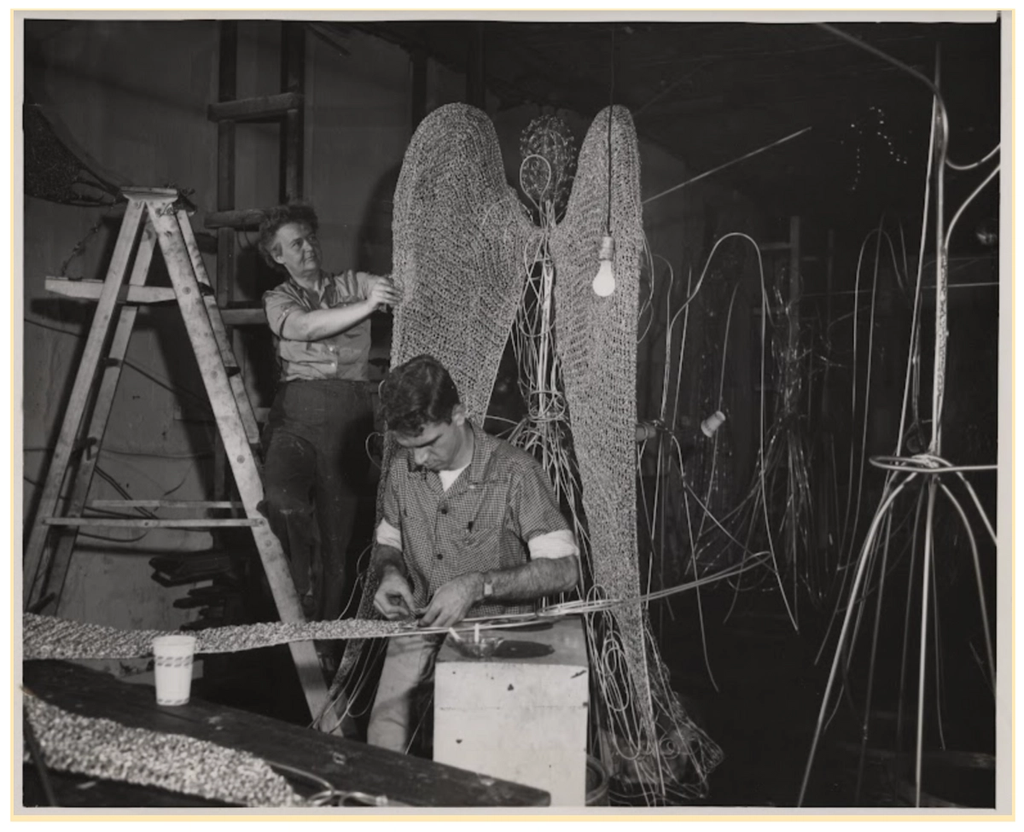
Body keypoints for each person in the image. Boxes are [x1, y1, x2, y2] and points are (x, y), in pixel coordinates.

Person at [366, 354, 580, 754]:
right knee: (384, 737)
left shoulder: (516, 474)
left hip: (495, 636)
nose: (418, 460)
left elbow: (566, 571)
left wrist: (477, 586)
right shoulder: (401, 469)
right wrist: (390, 573)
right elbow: (388, 540)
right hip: (419, 626)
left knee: (472, 751)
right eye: (407, 447)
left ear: (459, 415)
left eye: (428, 444)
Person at [258, 203, 400, 630]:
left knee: (342, 544)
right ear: (278, 255)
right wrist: (368, 306)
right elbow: (306, 327)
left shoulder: (352, 284)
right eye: (295, 244)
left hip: (351, 416)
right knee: (282, 503)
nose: (308, 248)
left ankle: (330, 642)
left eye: (310, 238)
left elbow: (384, 286)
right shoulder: (278, 299)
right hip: (295, 417)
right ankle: (298, 591)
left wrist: (383, 290)